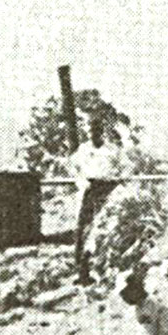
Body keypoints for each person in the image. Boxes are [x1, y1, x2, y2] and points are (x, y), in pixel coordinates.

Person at [71, 115, 125, 285]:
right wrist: (82, 183)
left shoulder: (112, 150)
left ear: (102, 132)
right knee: (84, 229)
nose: (93, 135)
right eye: (90, 131)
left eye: (96, 131)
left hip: (108, 189)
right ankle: (82, 271)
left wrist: (117, 181)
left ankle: (104, 270)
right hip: (90, 189)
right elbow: (75, 171)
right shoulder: (83, 150)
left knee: (104, 229)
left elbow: (124, 169)